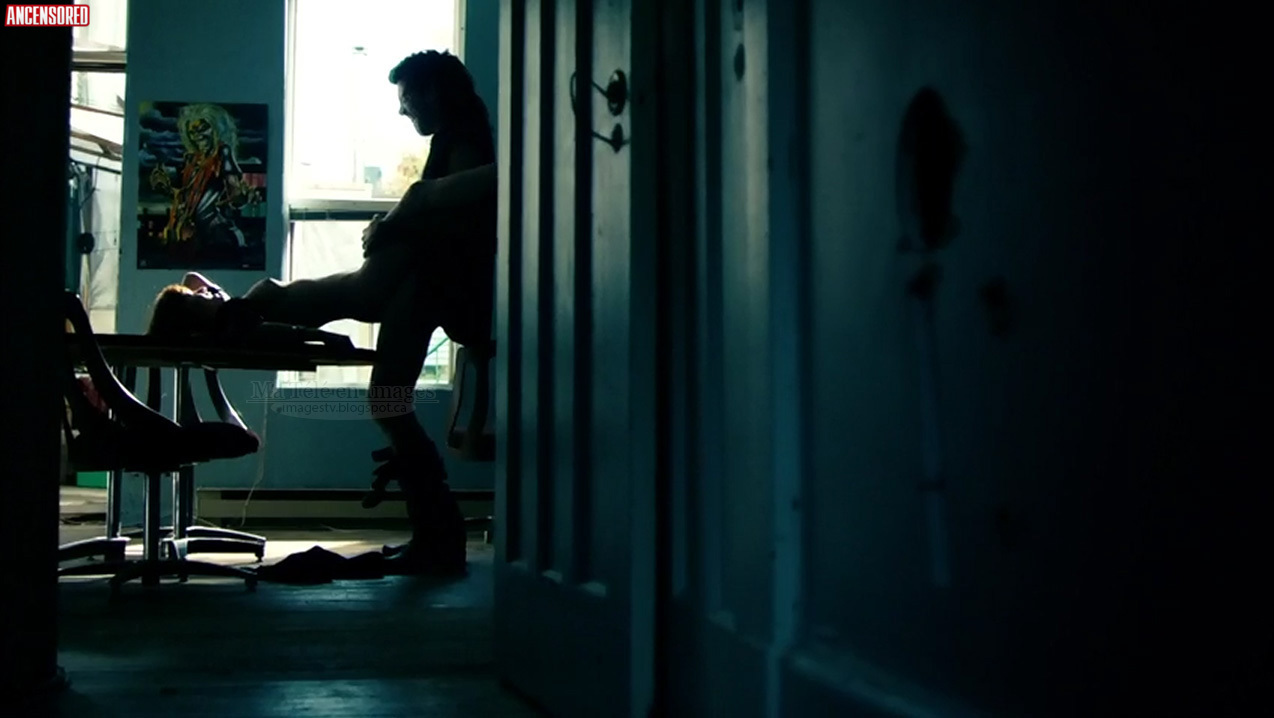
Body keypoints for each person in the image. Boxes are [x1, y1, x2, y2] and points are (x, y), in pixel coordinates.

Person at [146, 51, 497, 576]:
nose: (402, 111)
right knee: (387, 399)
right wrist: (394, 226)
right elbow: (430, 214)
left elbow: (442, 211)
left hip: (435, 284)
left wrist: (393, 224)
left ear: (433, 92)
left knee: (380, 379)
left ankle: (439, 537)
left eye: (406, 99)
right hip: (425, 283)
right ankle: (438, 536)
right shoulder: (458, 138)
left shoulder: (465, 141)